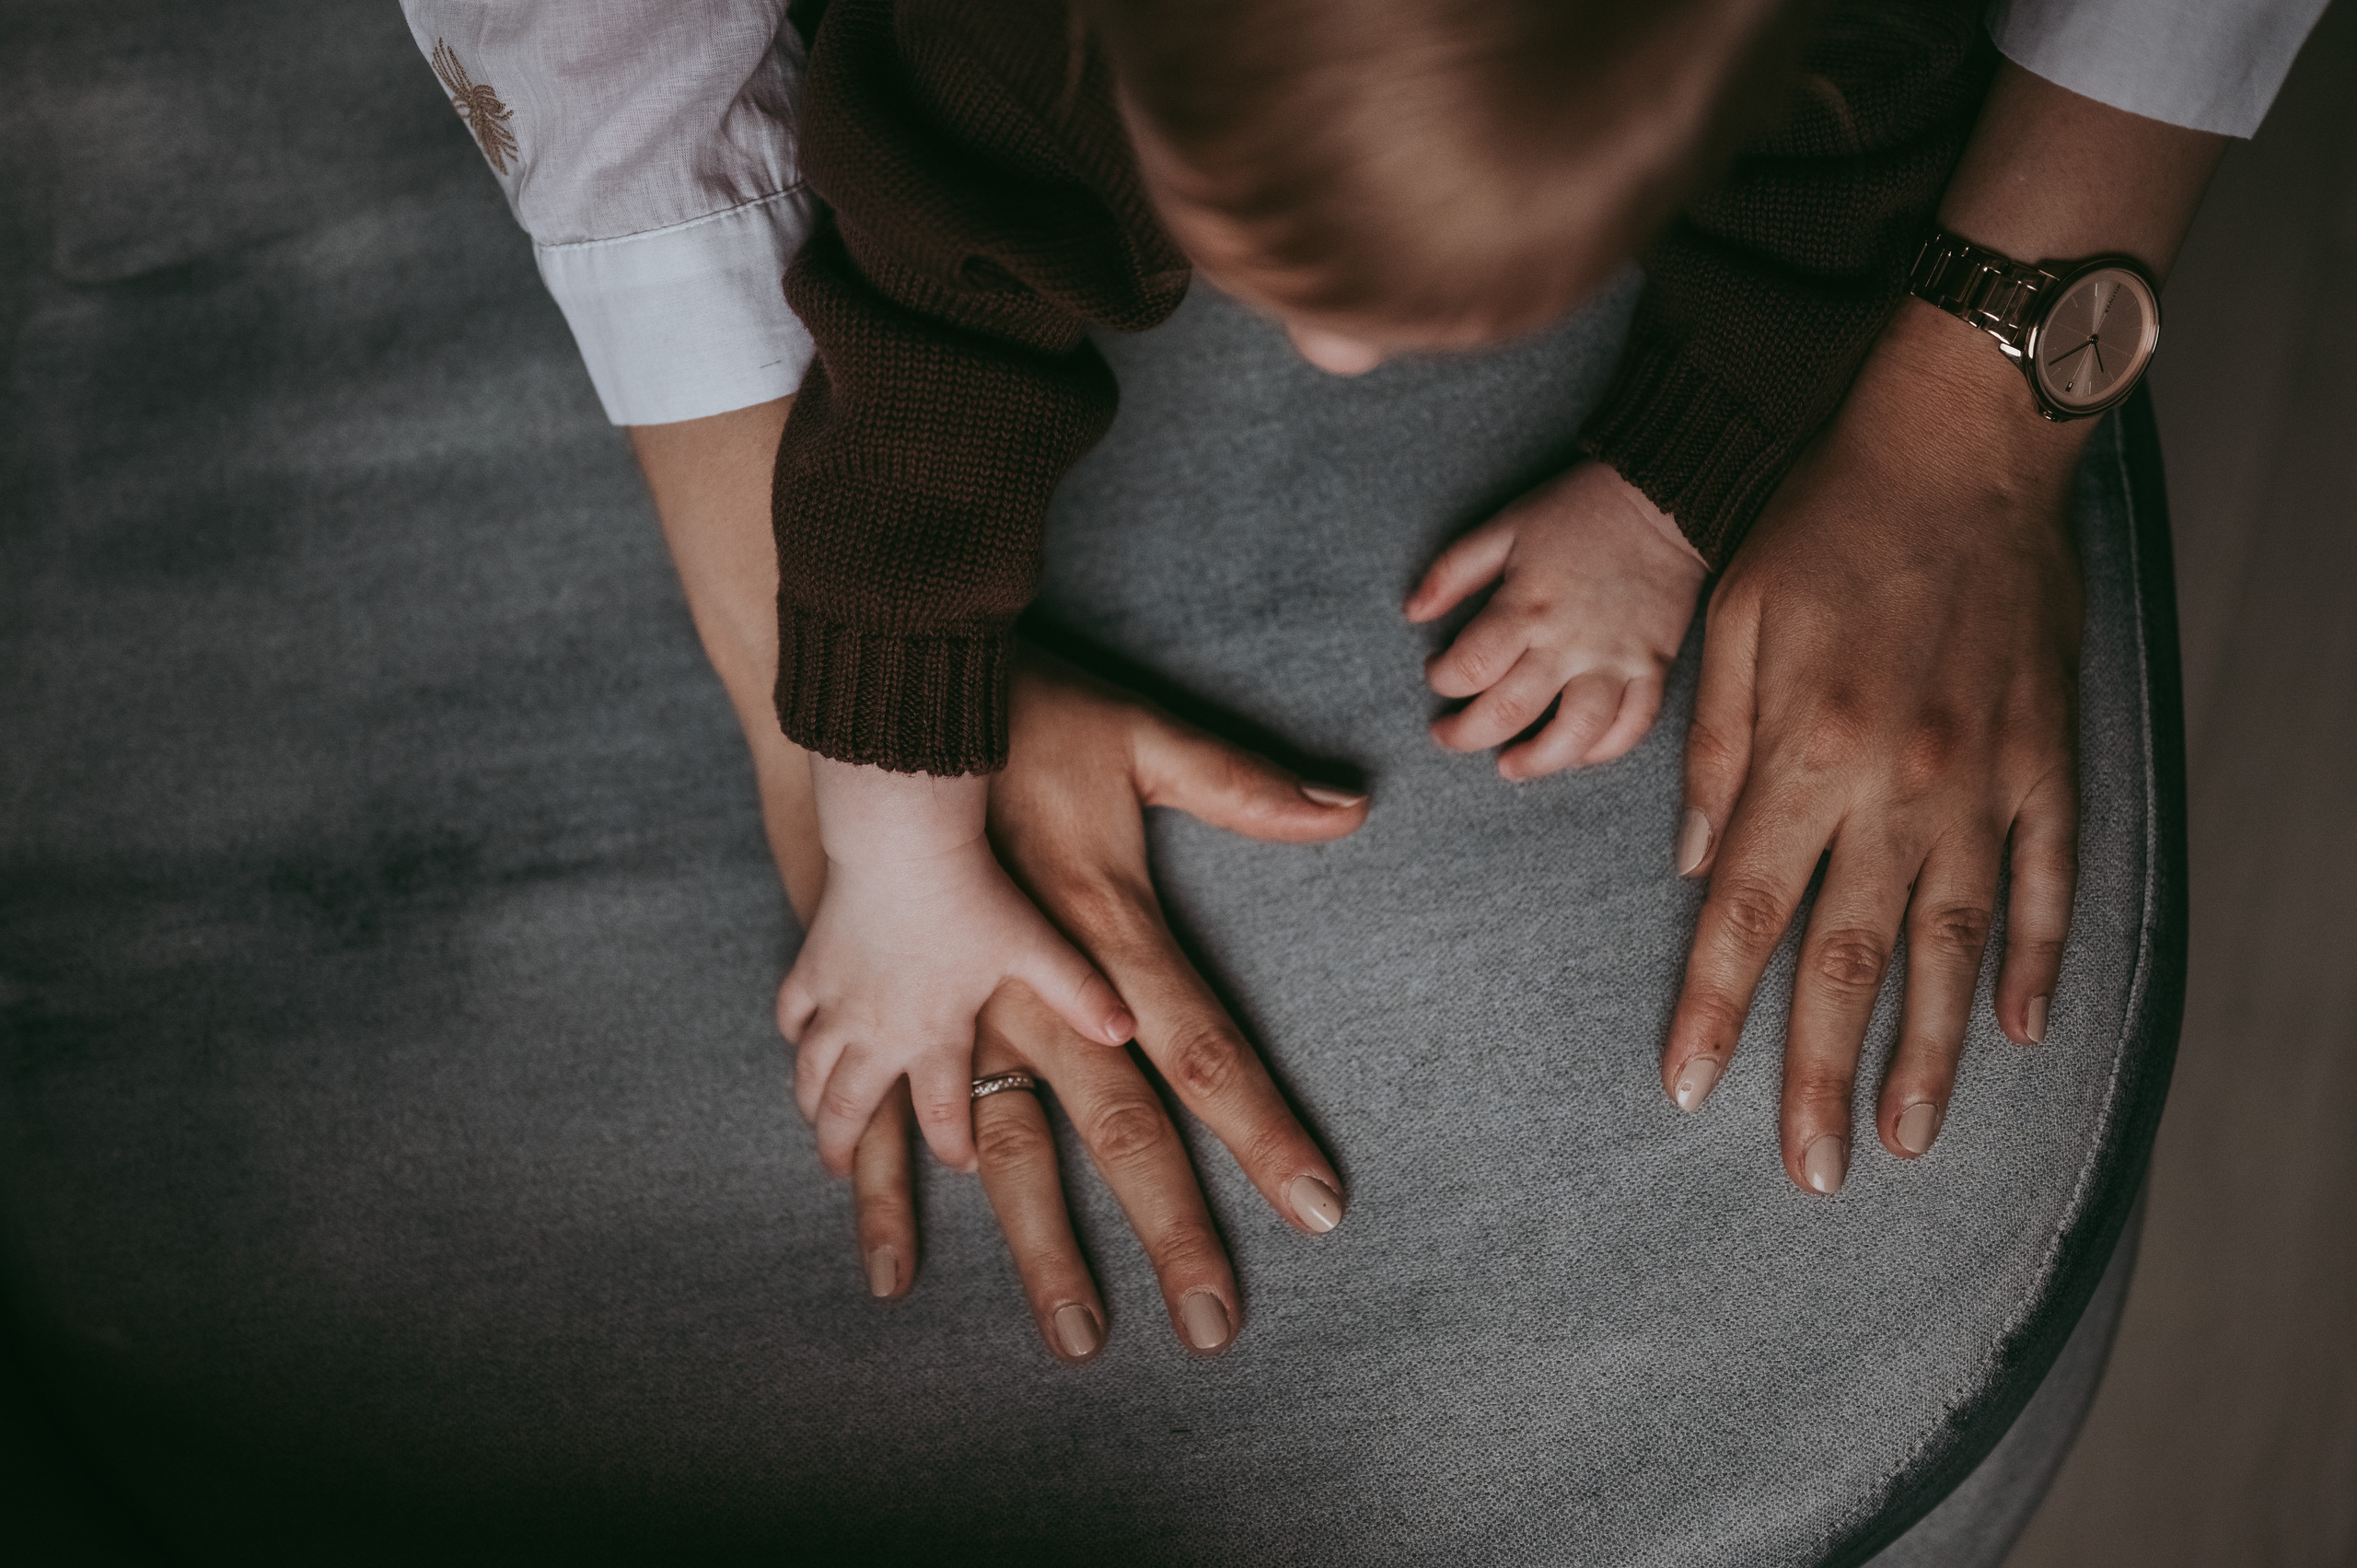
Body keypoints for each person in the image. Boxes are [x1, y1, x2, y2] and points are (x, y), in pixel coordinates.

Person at [395, 0, 2322, 1362]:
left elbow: (1823, 203)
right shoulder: (1001, 56)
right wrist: (890, 828)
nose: (1323, 354)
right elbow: (917, 394)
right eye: (1289, 276)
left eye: (1408, 308)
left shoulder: (1822, 38)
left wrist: (1667, 489)